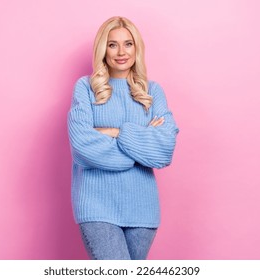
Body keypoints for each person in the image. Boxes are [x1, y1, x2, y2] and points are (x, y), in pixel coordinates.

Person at [67, 16, 179, 260]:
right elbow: (82, 146)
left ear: (137, 48)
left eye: (128, 44)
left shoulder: (152, 91)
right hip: (97, 205)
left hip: (143, 209)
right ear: (102, 50)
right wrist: (138, 148)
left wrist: (116, 132)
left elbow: (163, 150)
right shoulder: (85, 88)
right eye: (112, 44)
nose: (121, 52)